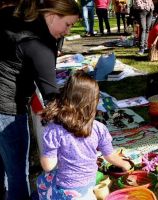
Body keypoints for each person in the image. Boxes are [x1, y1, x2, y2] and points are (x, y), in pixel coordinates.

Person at [0, 0, 80, 199]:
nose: (68, 31)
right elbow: (52, 97)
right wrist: (75, 128)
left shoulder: (10, 13)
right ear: (53, 15)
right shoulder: (41, 43)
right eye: (68, 24)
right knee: (17, 173)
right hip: (3, 112)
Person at [36, 71, 132, 199]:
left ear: (64, 96)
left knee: (42, 181)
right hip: (88, 182)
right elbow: (110, 156)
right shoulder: (99, 128)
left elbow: (48, 166)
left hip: (66, 187)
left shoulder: (53, 130)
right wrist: (125, 165)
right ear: (94, 102)